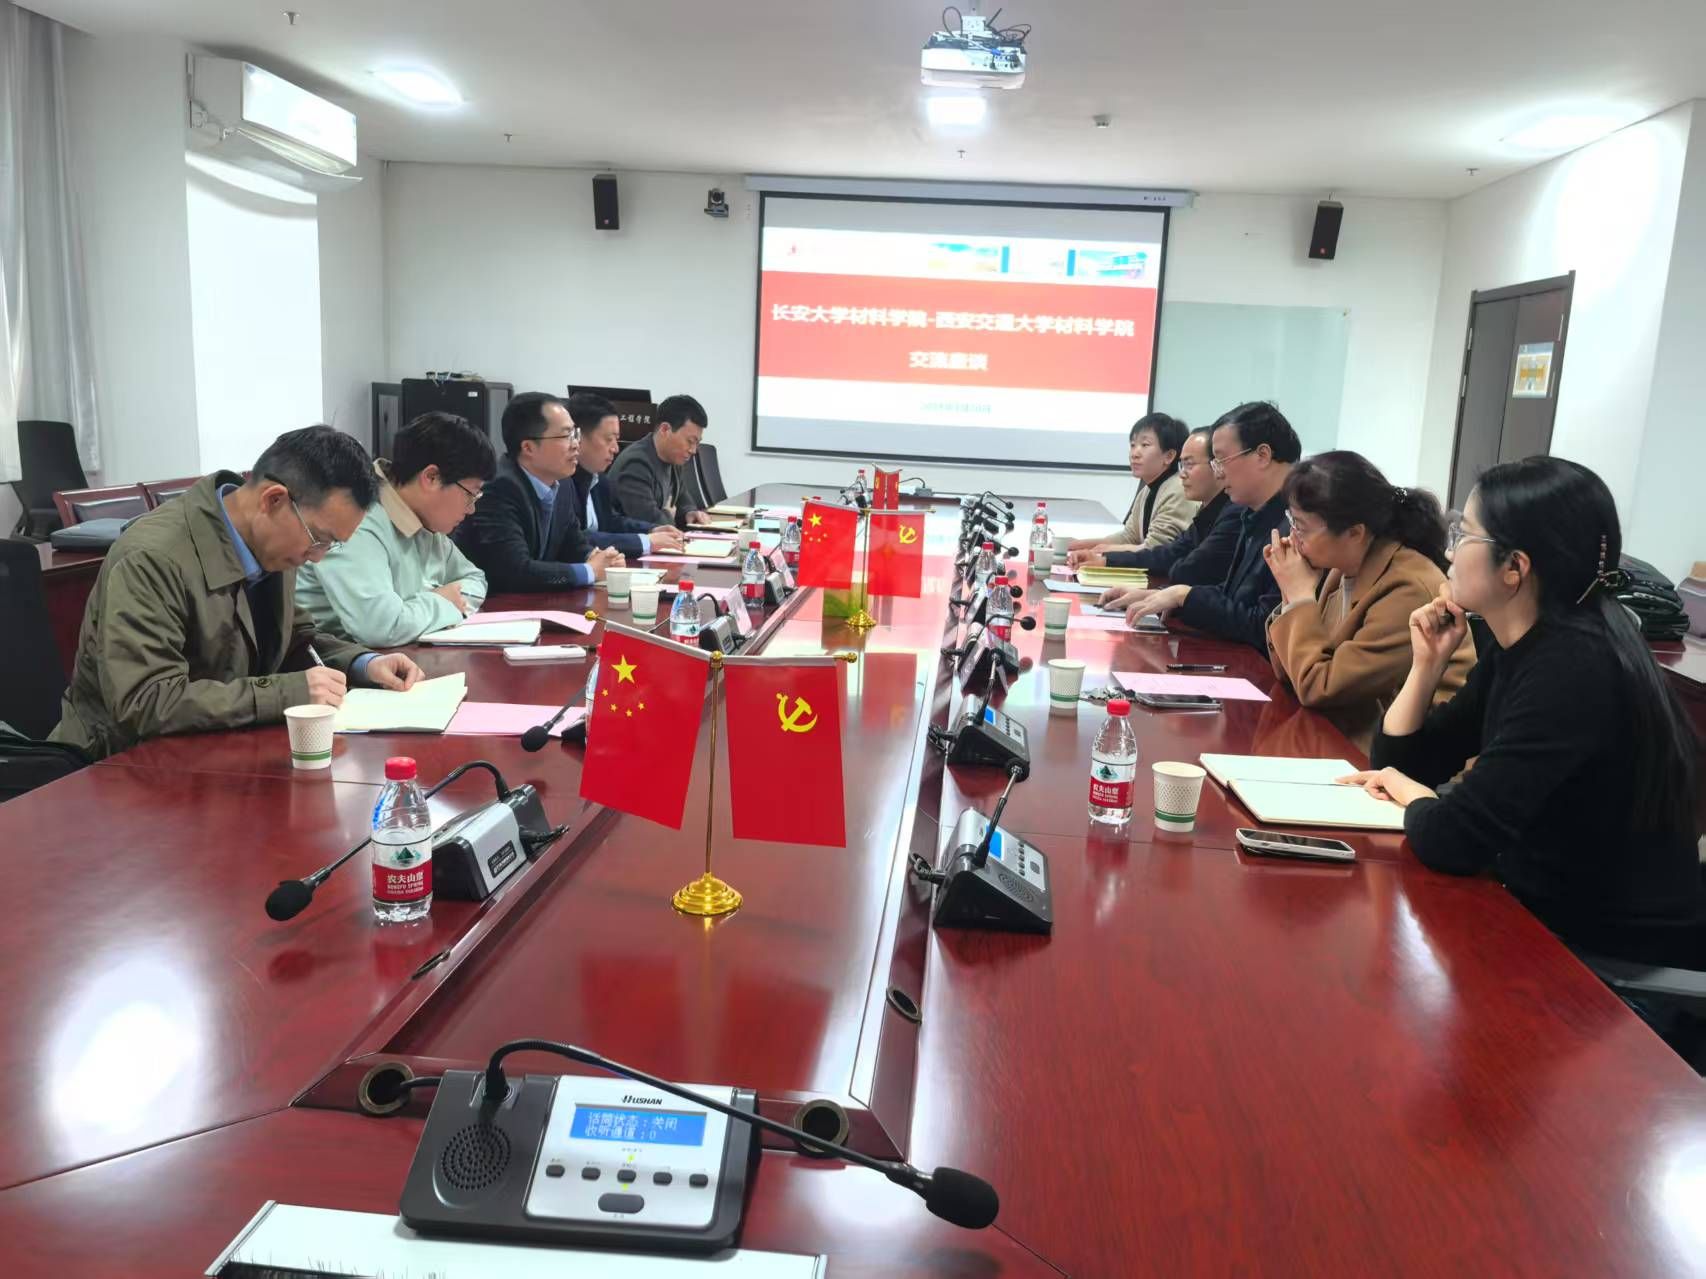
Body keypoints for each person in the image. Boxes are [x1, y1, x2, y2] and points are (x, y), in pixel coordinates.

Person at [1340, 457, 1705, 971]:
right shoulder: (1523, 646)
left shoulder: (1573, 668)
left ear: (1514, 567)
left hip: (1606, 953)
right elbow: (1402, 762)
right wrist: (1426, 666)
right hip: (1538, 910)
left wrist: (1406, 789)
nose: (1449, 550)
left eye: (1464, 534)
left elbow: (1454, 838)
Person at [49, 426, 423, 760]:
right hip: (116, 767)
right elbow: (146, 701)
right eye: (319, 539)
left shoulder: (275, 545)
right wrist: (288, 693)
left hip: (215, 755)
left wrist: (362, 664)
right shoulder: (153, 558)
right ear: (274, 500)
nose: (318, 557)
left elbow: (295, 640)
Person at [1262, 451, 1474, 749]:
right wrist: (1290, 594)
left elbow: (1319, 687)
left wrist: (1299, 597)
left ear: (1354, 533)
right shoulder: (1341, 569)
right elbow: (1291, 674)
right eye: (1291, 522)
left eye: (1302, 527)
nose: (1293, 537)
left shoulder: (1407, 588)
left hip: (1412, 755)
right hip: (1352, 732)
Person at [1102, 401, 1299, 651]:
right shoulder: (1252, 513)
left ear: (1262, 455)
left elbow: (1264, 625)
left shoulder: (1298, 524)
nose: (1219, 473)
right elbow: (1232, 594)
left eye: (1222, 459)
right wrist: (1164, 596)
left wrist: (1183, 596)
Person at [297, 412, 496, 647]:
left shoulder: (424, 519)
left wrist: (416, 608)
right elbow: (380, 627)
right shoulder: (358, 518)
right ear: (431, 477)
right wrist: (442, 602)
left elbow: (475, 579)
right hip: (328, 660)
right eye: (471, 494)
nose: (472, 509)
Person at [455, 391, 625, 592]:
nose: (576, 444)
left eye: (575, 434)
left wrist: (598, 558)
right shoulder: (498, 488)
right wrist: (590, 570)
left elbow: (573, 543)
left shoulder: (563, 483)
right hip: (491, 603)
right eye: (566, 436)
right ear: (528, 447)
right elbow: (515, 570)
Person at [1072, 426, 1241, 586]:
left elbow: (1188, 569)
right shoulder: (1203, 509)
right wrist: (1105, 559)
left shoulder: (1233, 513)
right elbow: (1169, 553)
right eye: (1132, 445)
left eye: (1189, 465)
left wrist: (1105, 555)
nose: (1182, 474)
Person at [564, 393, 686, 557]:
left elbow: (611, 522)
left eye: (616, 439)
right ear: (577, 437)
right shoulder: (561, 482)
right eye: (609, 439)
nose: (615, 448)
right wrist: (645, 541)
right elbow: (578, 539)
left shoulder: (598, 478)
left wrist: (651, 530)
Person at [1066, 412, 1196, 555]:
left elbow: (1155, 548)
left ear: (1169, 456)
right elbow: (1128, 537)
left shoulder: (1179, 489)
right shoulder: (1147, 491)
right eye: (1133, 445)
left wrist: (1102, 551)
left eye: (1145, 445)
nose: (1135, 453)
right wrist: (1079, 544)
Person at [605, 393, 714, 529]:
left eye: (697, 443)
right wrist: (668, 515)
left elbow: (682, 498)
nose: (693, 450)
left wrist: (690, 513)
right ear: (665, 429)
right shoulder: (636, 464)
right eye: (690, 441)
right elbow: (650, 523)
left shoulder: (673, 458)